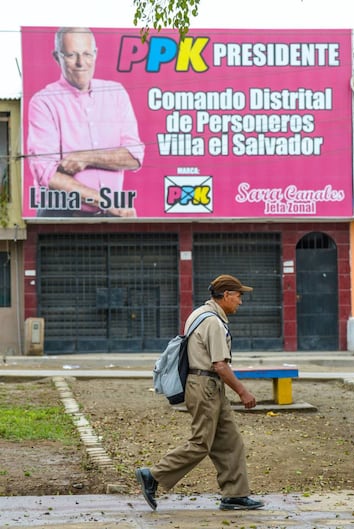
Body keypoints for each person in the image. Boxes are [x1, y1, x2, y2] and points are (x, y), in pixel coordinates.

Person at [136, 274, 265, 511]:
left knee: (230, 441)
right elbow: (220, 365)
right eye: (238, 296)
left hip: (206, 385)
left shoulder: (198, 313)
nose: (240, 302)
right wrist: (243, 391)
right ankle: (152, 475)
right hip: (206, 385)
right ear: (226, 295)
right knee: (200, 443)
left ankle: (235, 495)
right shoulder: (213, 322)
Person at [27, 27, 145, 217]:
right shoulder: (43, 102)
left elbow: (135, 156)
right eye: (72, 55)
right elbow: (45, 172)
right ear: (57, 57)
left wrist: (86, 157)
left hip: (112, 217)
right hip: (62, 217)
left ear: (96, 54)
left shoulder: (116, 93)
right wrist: (105, 202)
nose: (81, 63)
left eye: (87, 54)